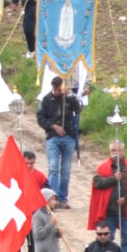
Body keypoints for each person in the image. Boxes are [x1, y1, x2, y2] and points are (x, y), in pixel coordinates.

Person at [88, 139, 127, 252]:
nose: (115, 153)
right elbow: (97, 182)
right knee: (106, 237)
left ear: (123, 151)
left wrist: (126, 198)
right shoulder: (102, 167)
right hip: (109, 210)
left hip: (126, 210)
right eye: (113, 150)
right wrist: (113, 179)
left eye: (118, 150)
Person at [37, 75, 83, 208]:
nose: (59, 92)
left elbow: (79, 109)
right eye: (57, 90)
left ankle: (63, 198)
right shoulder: (46, 100)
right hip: (53, 137)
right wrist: (53, 126)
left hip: (69, 137)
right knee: (53, 168)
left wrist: (71, 96)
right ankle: (53, 198)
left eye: (60, 89)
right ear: (53, 88)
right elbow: (40, 118)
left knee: (66, 169)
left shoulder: (68, 98)